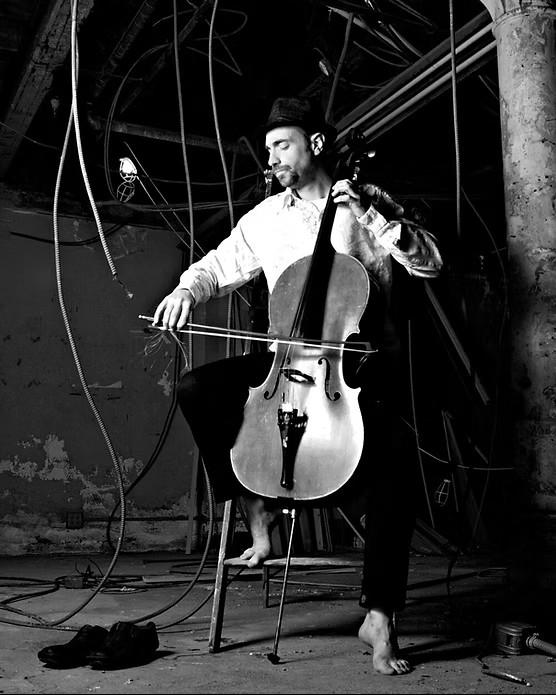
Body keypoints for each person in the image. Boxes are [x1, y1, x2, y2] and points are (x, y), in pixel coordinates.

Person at [152, 96, 443, 675]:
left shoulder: (368, 202)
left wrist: (373, 217)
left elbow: (430, 263)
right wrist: (186, 289)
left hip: (351, 368)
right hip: (284, 363)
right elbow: (217, 265)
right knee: (196, 389)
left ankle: (379, 615)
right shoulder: (266, 218)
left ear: (316, 144)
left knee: (398, 462)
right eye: (268, 150)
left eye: (281, 145)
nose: (272, 159)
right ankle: (255, 508)